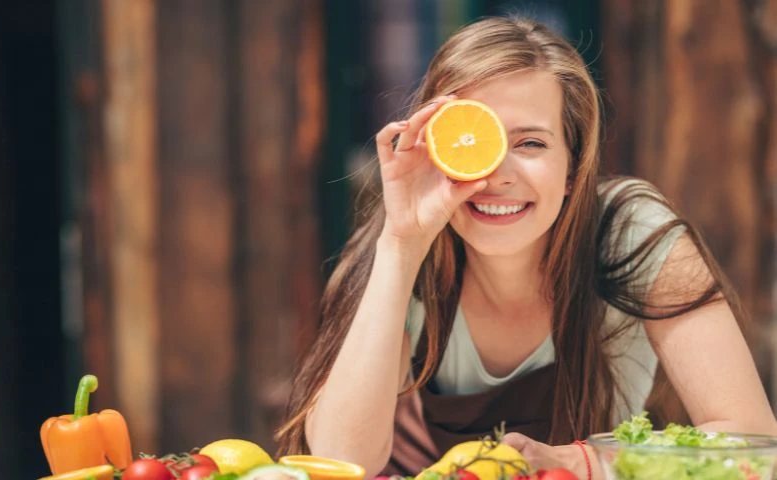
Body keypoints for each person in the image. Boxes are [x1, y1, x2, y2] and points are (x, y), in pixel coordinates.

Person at [274, 16, 777, 479]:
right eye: (474, 142)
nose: (495, 175)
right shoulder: (403, 246)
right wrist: (402, 244)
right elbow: (337, 463)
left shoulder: (630, 232)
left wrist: (578, 460)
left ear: (572, 168)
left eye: (530, 143)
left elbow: (755, 443)